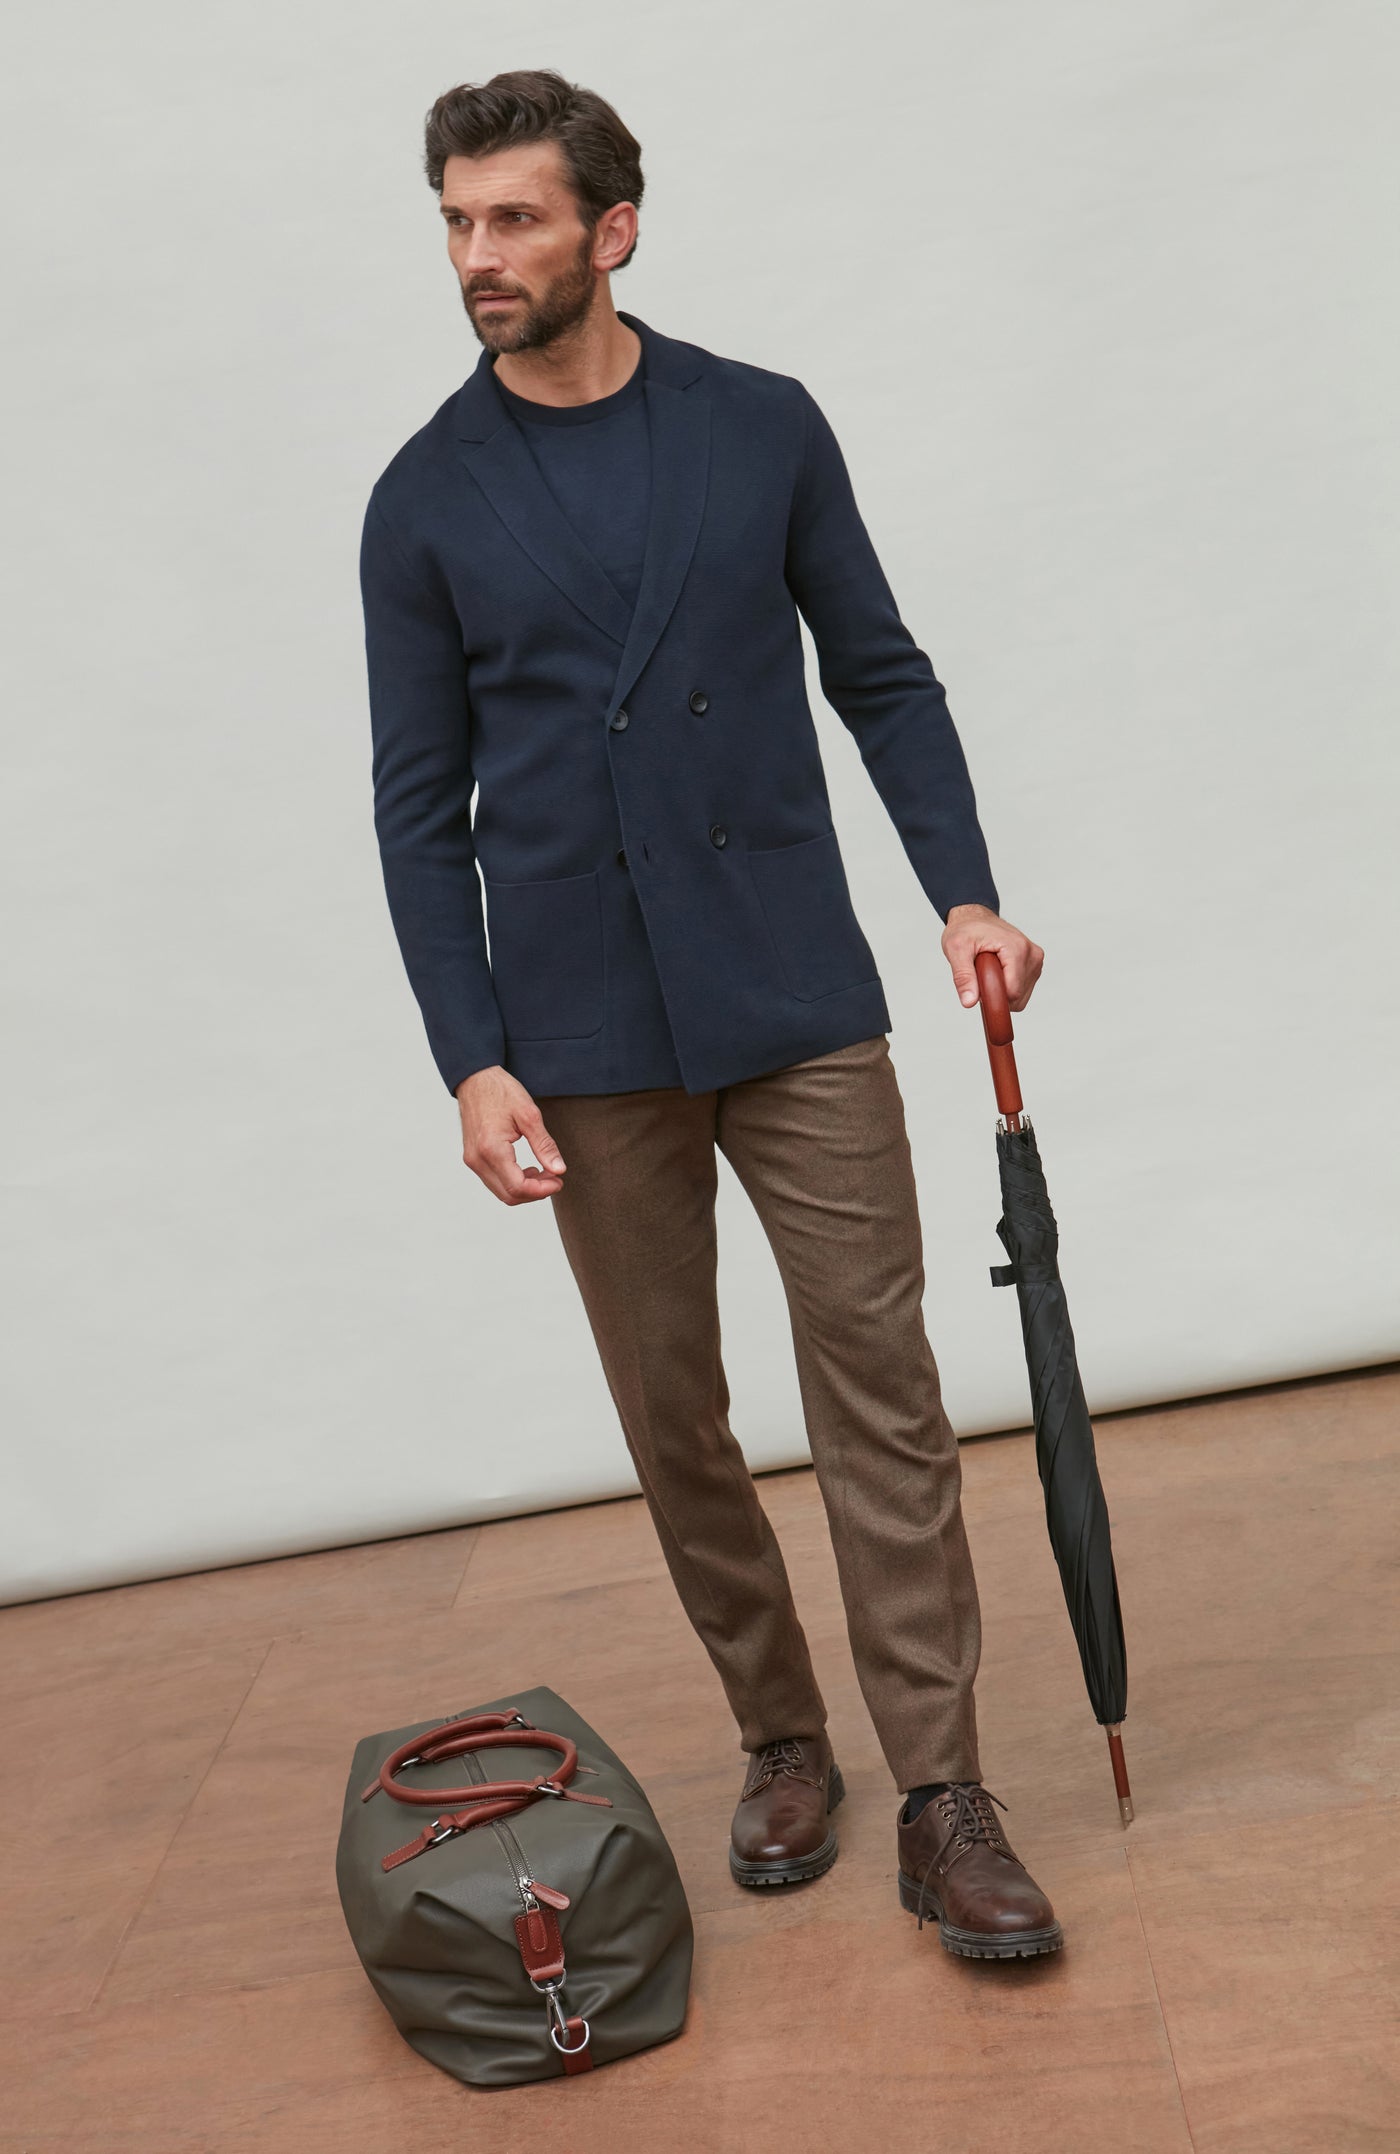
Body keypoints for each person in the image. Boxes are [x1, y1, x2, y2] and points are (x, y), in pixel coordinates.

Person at [359, 66, 1062, 1961]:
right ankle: (779, 1735)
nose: (475, 255)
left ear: (614, 226)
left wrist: (964, 889)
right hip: (580, 1032)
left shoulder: (760, 427)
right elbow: (420, 813)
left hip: (794, 987)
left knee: (884, 1396)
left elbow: (884, 676)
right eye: (454, 220)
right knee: (677, 1417)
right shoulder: (423, 498)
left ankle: (942, 1790)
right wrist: (471, 1052)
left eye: (511, 217)